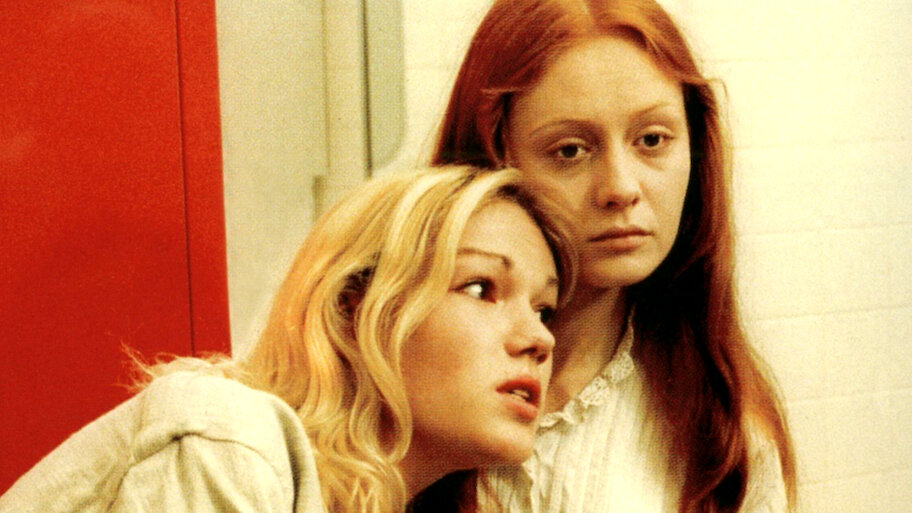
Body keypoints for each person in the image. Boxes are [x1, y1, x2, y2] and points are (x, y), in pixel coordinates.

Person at [0, 165, 577, 513]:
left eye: (545, 310)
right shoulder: (231, 441)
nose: (539, 340)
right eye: (480, 288)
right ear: (354, 307)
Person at [432, 1, 797, 512]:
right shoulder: (398, 389)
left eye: (652, 140)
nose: (621, 189)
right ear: (493, 157)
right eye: (570, 151)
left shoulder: (724, 430)